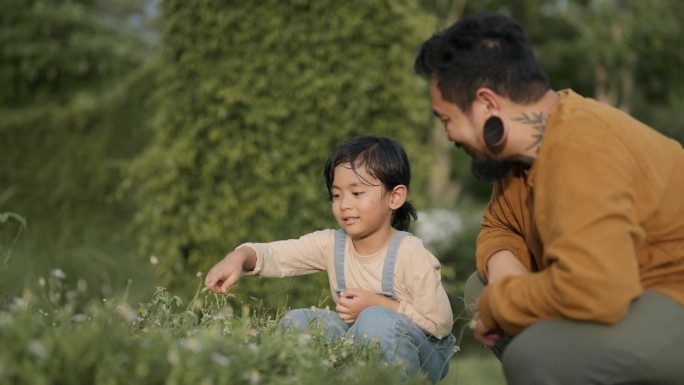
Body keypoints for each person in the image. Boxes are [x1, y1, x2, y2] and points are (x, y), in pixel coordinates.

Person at [414, 11, 684, 385]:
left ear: (487, 104)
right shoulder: (519, 159)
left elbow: (596, 289)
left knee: (536, 355)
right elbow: (499, 226)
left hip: (669, 293)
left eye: (447, 120)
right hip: (620, 290)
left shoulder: (581, 146)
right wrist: (503, 286)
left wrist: (501, 303)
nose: (448, 135)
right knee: (484, 284)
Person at [204, 135, 456, 382]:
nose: (344, 204)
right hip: (359, 337)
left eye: (356, 193)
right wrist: (237, 258)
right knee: (298, 322)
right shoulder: (332, 244)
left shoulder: (410, 253)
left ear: (394, 197)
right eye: (336, 195)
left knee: (375, 321)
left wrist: (380, 305)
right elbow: (279, 254)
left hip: (424, 354)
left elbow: (440, 324)